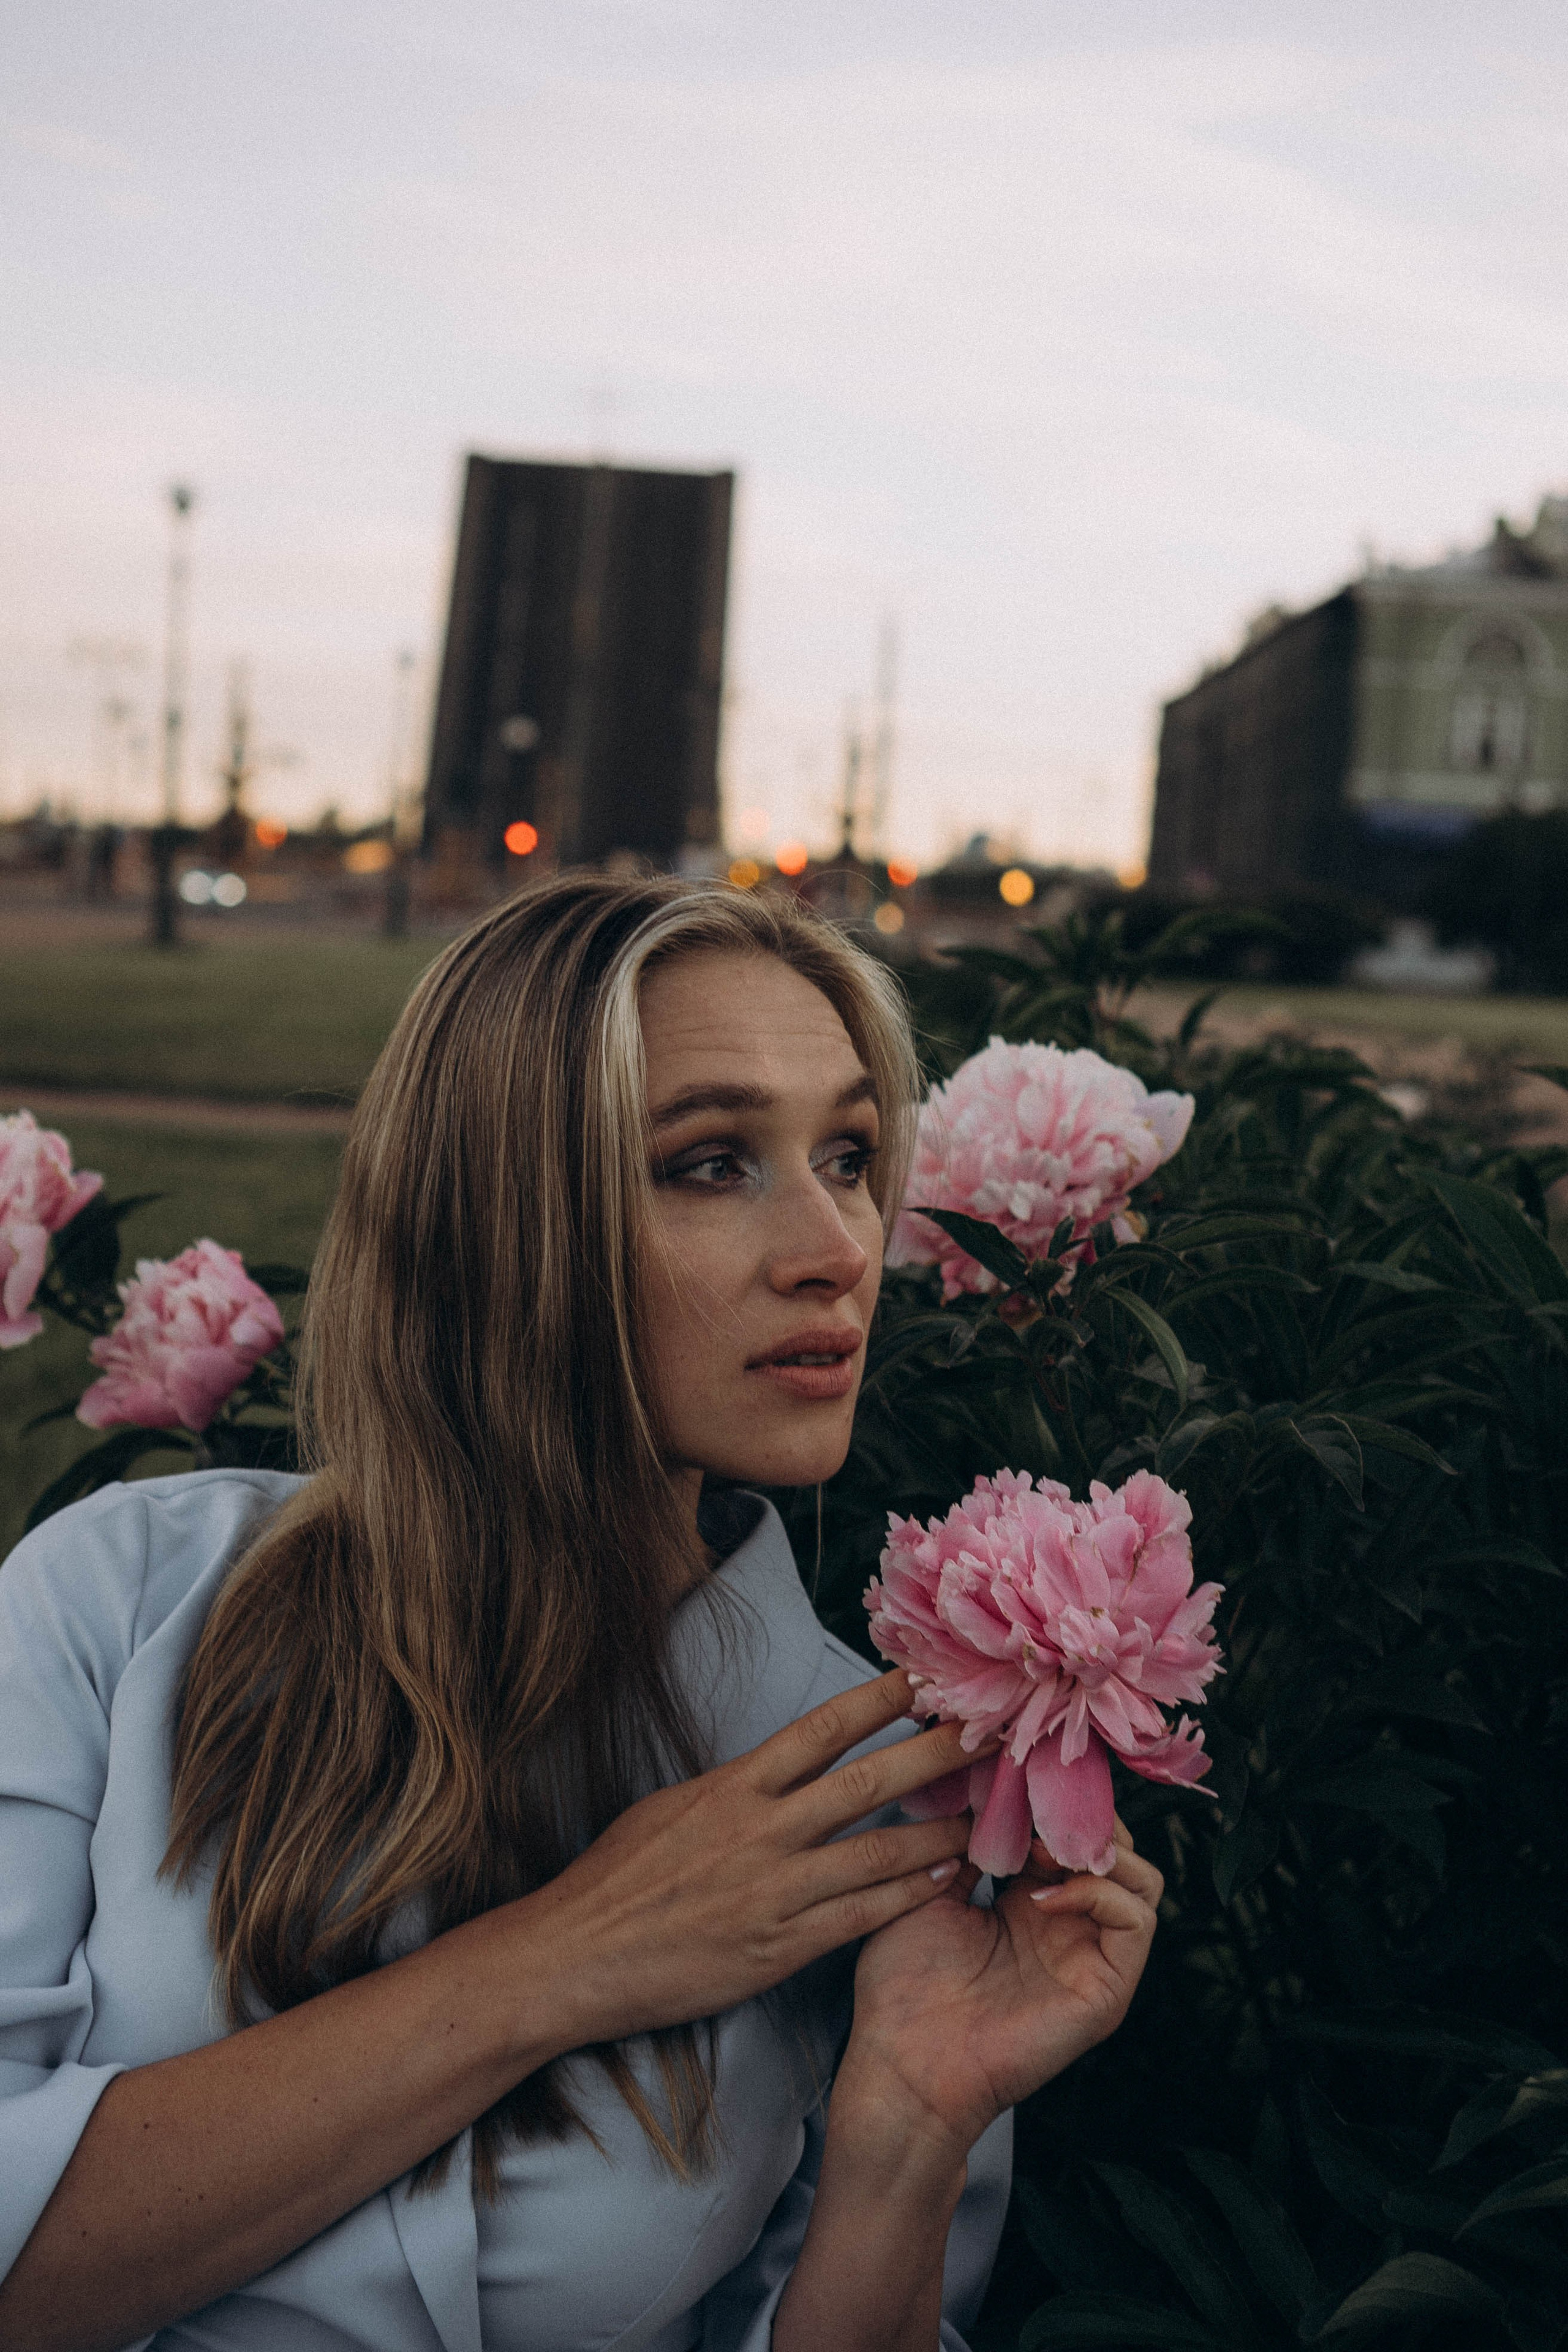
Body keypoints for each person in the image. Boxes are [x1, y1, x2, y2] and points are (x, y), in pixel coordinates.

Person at [0, 875, 1164, 2352]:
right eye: (709, 1163)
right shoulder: (120, 1598)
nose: (835, 1248)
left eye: (854, 1156)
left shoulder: (876, 1804)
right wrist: (566, 1961)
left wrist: (914, 2127)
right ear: (500, 1210)